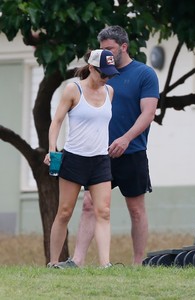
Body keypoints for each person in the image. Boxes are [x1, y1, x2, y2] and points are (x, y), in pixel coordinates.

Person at [60, 25, 159, 268]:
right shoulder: (98, 74)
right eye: (101, 49)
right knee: (89, 205)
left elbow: (148, 114)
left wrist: (125, 138)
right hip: (99, 154)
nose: (105, 54)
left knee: (136, 209)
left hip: (132, 151)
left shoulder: (144, 74)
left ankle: (138, 264)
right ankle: (77, 261)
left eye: (110, 49)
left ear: (123, 47)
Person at [43, 49, 119, 269]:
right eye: (103, 73)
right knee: (64, 211)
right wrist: (52, 150)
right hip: (74, 158)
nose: (107, 78)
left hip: (100, 160)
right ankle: (54, 263)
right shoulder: (72, 89)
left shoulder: (110, 92)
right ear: (92, 68)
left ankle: (106, 264)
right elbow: (56, 121)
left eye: (110, 74)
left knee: (103, 211)